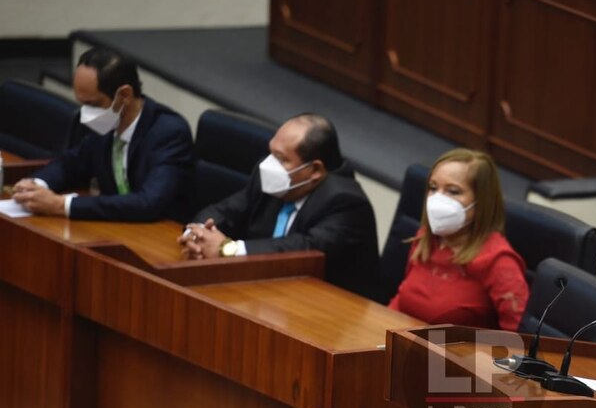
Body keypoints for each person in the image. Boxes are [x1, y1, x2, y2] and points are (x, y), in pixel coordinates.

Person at [179, 113, 380, 299]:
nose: (269, 165)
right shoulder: (272, 178)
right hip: (264, 293)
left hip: (327, 309)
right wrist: (197, 235)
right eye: (271, 153)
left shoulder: (345, 203)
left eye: (282, 159)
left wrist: (228, 249)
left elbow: (303, 249)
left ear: (315, 170)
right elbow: (227, 210)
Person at [12, 47, 193, 221]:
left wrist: (61, 205)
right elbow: (70, 164)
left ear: (124, 95)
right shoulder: (105, 125)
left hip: (159, 234)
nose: (86, 115)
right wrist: (37, 185)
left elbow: (148, 202)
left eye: (93, 104)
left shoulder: (168, 132)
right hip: (115, 226)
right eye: (82, 104)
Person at [389, 149, 528, 331]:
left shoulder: (499, 262)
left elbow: (519, 341)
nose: (437, 199)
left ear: (481, 202)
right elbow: (401, 300)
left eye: (453, 191)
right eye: (433, 188)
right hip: (404, 344)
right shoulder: (426, 238)